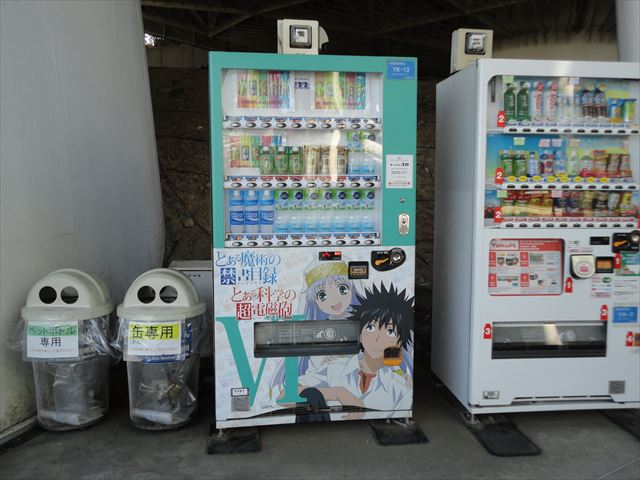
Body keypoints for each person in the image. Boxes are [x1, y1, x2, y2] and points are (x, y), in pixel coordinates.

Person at [297, 282, 414, 414]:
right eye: (371, 328)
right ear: (360, 333)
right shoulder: (334, 368)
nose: (378, 339)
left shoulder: (400, 388)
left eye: (390, 332)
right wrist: (336, 393)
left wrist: (403, 376)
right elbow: (287, 394)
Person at [269, 260, 362, 400]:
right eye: (322, 295)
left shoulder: (367, 323)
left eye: (342, 289)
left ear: (352, 289)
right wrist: (323, 361)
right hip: (333, 388)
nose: (334, 300)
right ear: (315, 302)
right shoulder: (318, 332)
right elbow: (312, 374)